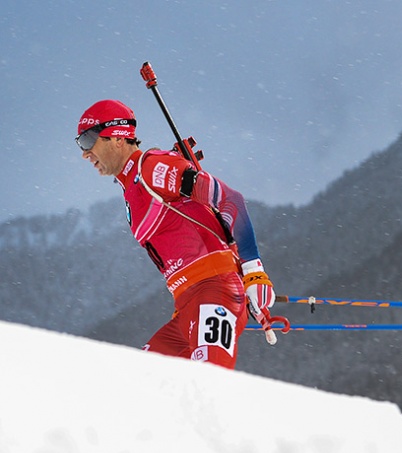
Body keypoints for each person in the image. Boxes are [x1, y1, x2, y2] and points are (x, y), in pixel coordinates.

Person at [75, 99, 277, 369]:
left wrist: (254, 272)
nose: (84, 153)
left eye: (88, 140)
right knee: (143, 389)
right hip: (188, 305)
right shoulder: (130, 186)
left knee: (209, 388)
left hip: (214, 291)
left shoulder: (152, 168)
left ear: (118, 137)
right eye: (80, 143)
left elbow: (231, 200)